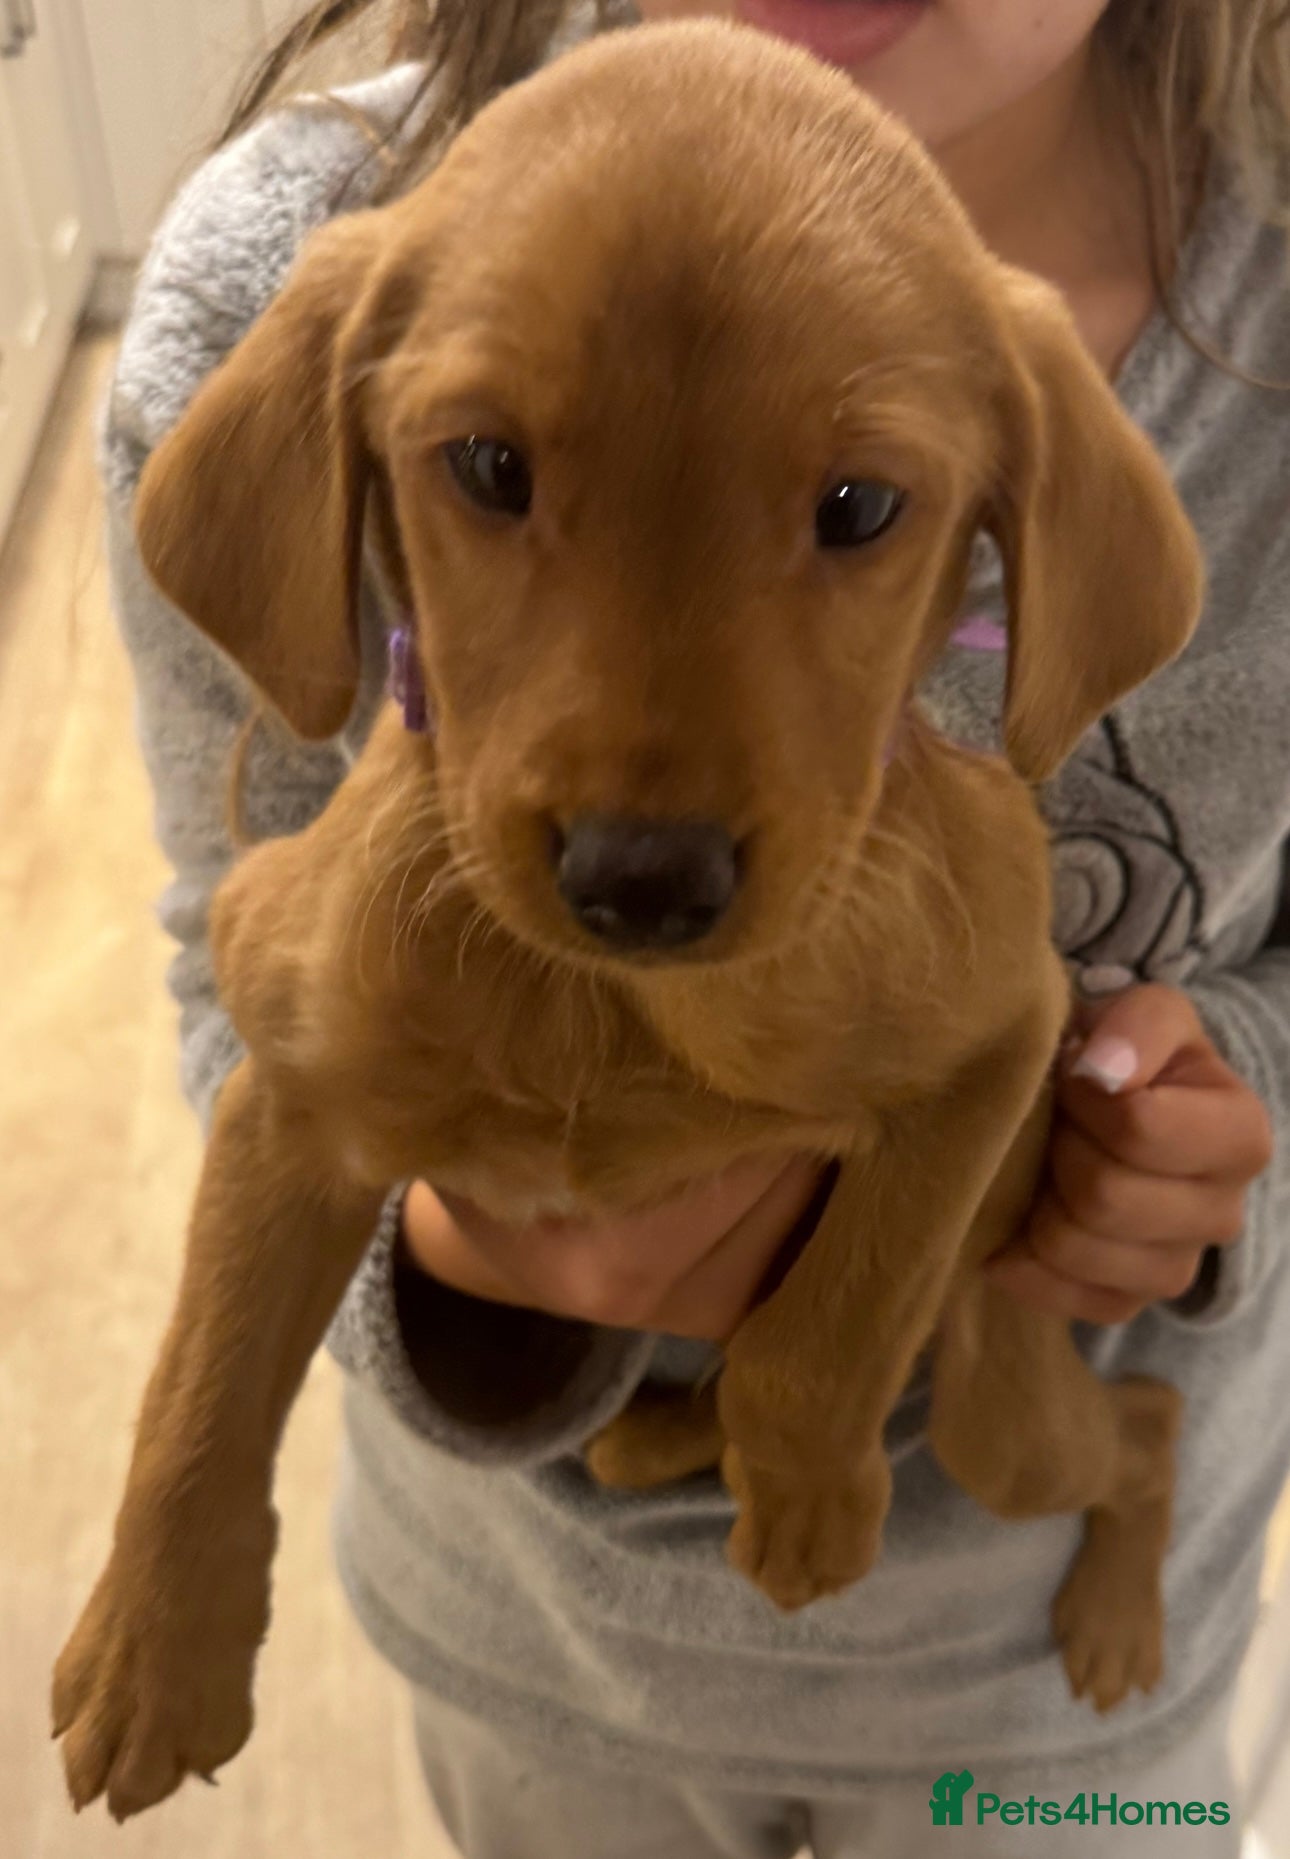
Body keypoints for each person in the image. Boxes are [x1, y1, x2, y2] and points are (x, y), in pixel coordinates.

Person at [103, 2, 1287, 1852]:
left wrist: (1227, 1104)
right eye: (492, 473)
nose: (640, 817)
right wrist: (427, 1316)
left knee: (1011, 1433)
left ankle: (1113, 1482)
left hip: (1033, 1741)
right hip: (536, 1652)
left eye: (851, 509)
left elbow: (1000, 1036)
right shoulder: (282, 279)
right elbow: (259, 1045)